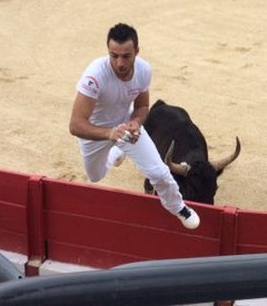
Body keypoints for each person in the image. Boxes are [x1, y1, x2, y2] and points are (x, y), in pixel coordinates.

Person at [69, 23, 200, 229]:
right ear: (108, 52)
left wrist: (136, 123)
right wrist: (110, 134)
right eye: (114, 56)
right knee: (96, 176)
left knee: (159, 172)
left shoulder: (144, 71)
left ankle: (179, 207)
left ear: (137, 52)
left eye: (126, 56)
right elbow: (76, 125)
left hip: (127, 129)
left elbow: (142, 105)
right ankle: (115, 153)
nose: (119, 63)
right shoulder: (94, 76)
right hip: (96, 134)